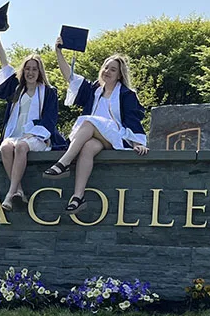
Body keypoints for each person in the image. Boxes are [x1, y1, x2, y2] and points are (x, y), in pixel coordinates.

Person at [45, 43, 149, 213]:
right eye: (106, 67)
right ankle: (78, 197)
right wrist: (58, 52)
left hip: (115, 135)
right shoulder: (93, 90)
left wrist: (137, 142)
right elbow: (70, 77)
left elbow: (132, 119)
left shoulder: (126, 94)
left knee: (88, 122)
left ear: (120, 75)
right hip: (97, 137)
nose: (107, 71)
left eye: (113, 69)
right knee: (88, 148)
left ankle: (64, 162)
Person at [0, 29, 64, 210]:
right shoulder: (16, 89)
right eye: (28, 68)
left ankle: (9, 194)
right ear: (24, 70)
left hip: (38, 137)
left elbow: (50, 119)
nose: (31, 72)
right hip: (15, 134)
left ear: (40, 71)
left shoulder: (48, 92)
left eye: (34, 69)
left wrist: (32, 135)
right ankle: (19, 190)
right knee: (5, 147)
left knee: (21, 146)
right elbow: (4, 64)